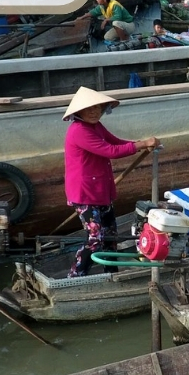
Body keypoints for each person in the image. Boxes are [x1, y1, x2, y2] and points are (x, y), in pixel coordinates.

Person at [62, 87, 158, 278]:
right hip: (85, 194)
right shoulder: (79, 131)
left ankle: (111, 274)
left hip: (101, 190)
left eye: (98, 107)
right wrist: (142, 144)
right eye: (89, 108)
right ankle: (75, 277)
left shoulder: (96, 126)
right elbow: (110, 151)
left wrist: (140, 144)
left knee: (110, 236)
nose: (94, 111)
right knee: (95, 239)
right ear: (78, 112)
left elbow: (116, 142)